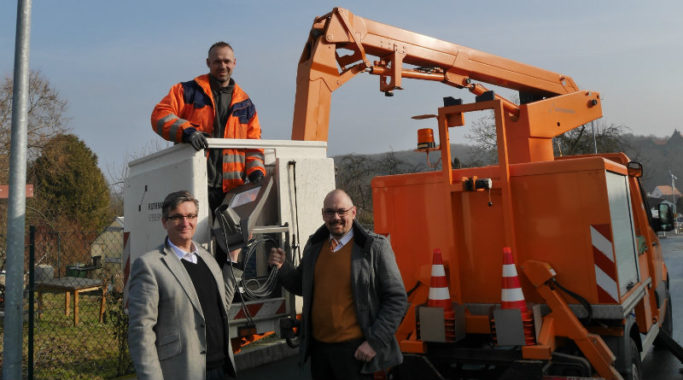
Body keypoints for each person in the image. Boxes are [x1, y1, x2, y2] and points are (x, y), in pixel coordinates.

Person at [268, 189, 408, 380]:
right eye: (330, 212)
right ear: (323, 214)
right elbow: (302, 286)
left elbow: (397, 300)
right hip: (320, 352)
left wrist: (374, 342)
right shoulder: (314, 247)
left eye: (342, 211)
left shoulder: (374, 248)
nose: (336, 217)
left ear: (354, 212)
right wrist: (282, 267)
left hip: (355, 352)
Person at [128, 190, 241, 380]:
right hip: (184, 372)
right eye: (177, 217)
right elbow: (141, 332)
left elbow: (222, 305)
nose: (185, 222)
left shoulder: (207, 259)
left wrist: (233, 259)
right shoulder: (150, 266)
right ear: (165, 222)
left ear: (197, 219)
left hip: (223, 368)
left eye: (190, 216)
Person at [151, 41, 266, 213]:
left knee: (229, 240)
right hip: (194, 184)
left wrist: (256, 171)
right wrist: (188, 132)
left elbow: (253, 143)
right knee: (194, 237)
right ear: (208, 63)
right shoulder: (187, 91)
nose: (222, 66)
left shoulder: (245, 104)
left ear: (234, 63)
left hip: (231, 190)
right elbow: (159, 116)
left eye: (227, 61)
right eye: (217, 61)